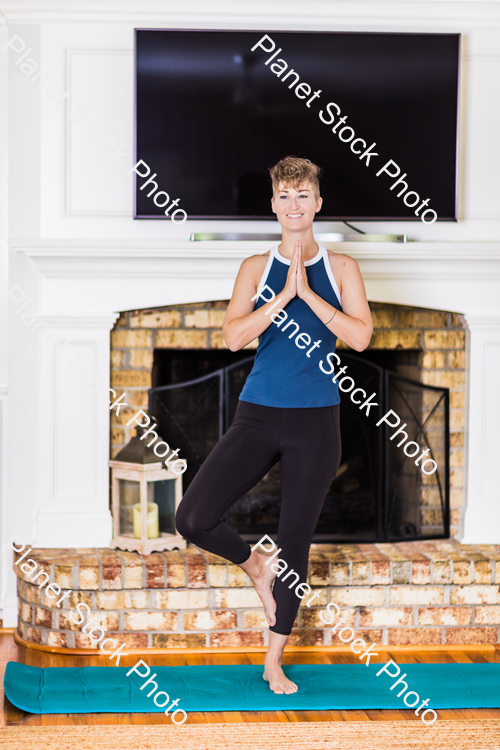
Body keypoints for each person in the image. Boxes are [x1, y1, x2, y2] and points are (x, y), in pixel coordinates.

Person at [175, 156, 373, 694]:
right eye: (284, 196)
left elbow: (360, 338)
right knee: (192, 515)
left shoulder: (343, 268)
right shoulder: (255, 267)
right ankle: (252, 564)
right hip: (258, 413)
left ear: (317, 202)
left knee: (295, 545)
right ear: (273, 204)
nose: (293, 205)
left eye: (303, 195)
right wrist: (281, 298)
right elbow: (233, 336)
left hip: (316, 421)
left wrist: (309, 294)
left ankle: (273, 661)